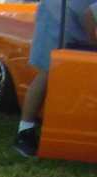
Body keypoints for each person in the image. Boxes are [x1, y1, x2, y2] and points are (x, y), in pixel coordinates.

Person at [14, 0, 97, 157]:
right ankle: (25, 131)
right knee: (49, 71)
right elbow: (90, 15)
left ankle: (70, 125)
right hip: (60, 15)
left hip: (77, 15)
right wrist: (94, 42)